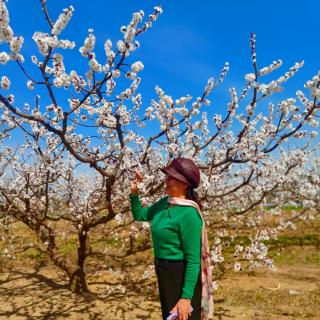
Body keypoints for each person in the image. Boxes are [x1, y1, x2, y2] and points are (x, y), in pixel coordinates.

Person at [129, 157, 214, 320]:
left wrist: (186, 297)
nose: (166, 180)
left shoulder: (189, 214)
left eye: (172, 177)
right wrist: (134, 193)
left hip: (179, 275)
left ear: (185, 183)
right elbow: (140, 214)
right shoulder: (164, 203)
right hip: (163, 272)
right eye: (167, 176)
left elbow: (193, 260)